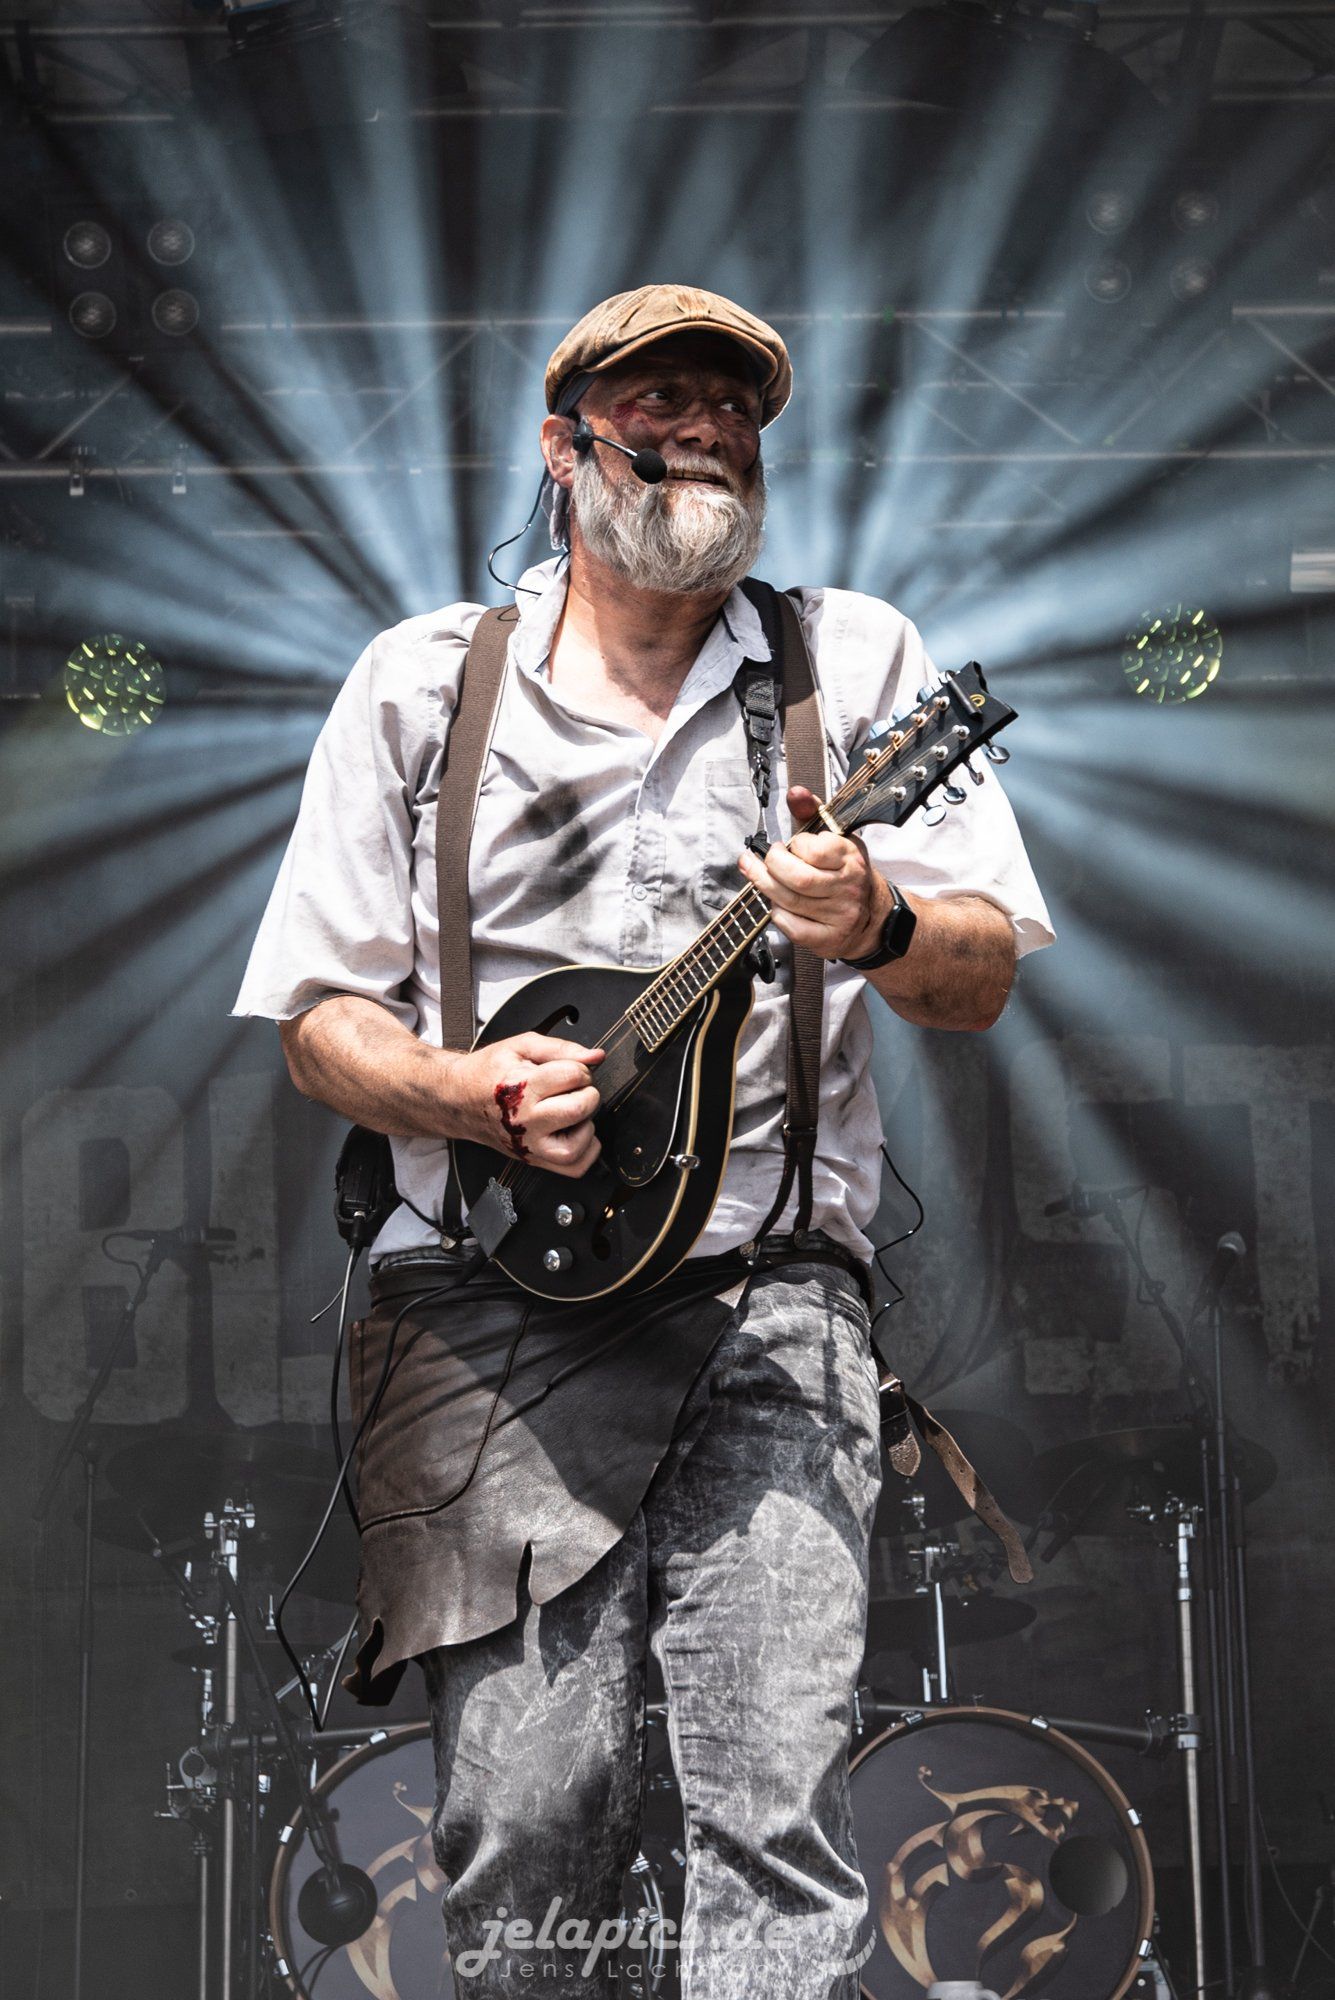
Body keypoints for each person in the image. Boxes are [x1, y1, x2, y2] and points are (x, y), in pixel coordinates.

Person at [234, 282, 1052, 1999]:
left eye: (731, 409)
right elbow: (317, 1021)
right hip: (487, 1317)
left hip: (773, 1298)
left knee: (777, 1817)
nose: (701, 434)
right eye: (656, 405)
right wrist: (464, 1094)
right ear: (565, 449)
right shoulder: (423, 688)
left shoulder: (852, 666)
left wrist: (880, 919)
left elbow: (978, 977)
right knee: (527, 1828)